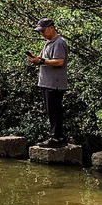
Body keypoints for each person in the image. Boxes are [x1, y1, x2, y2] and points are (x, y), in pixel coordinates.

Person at [25, 17, 69, 146]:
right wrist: (36, 59)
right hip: (47, 82)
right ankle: (57, 137)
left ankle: (56, 138)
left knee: (54, 111)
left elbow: (60, 61)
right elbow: (44, 58)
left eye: (43, 31)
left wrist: (42, 61)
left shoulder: (59, 42)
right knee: (51, 111)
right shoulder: (49, 42)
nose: (42, 34)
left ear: (51, 28)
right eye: (40, 31)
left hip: (54, 84)